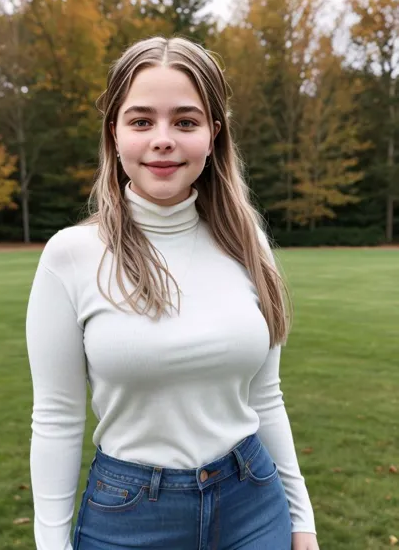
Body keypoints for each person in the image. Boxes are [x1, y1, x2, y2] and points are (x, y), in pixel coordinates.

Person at [26, 35, 319, 550]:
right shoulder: (70, 256)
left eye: (186, 121)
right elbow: (57, 418)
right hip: (129, 516)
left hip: (253, 504)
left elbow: (266, 397)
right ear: (114, 134)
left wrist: (303, 523)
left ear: (213, 135)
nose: (163, 139)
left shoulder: (248, 246)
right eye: (141, 121)